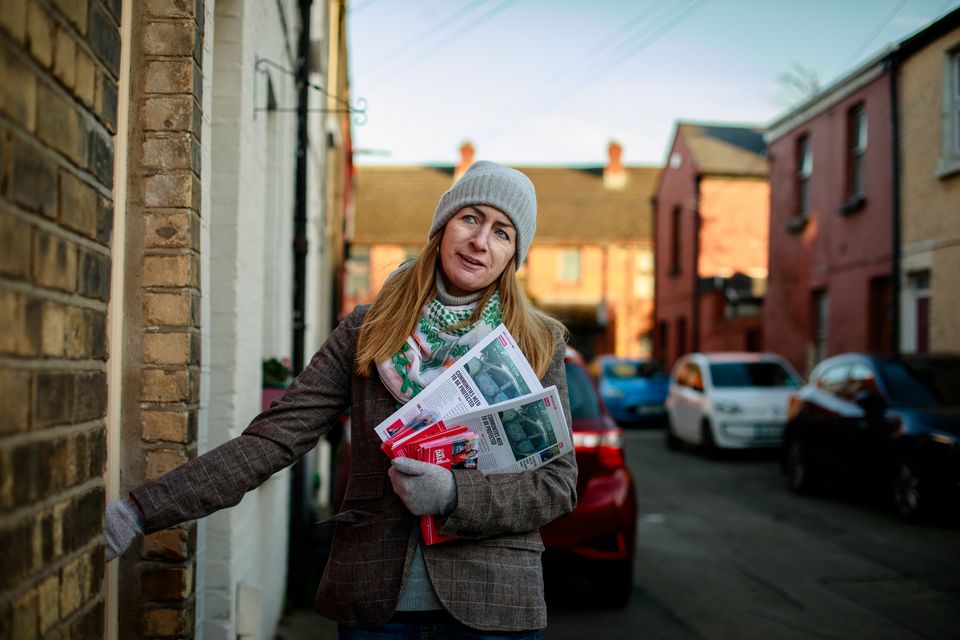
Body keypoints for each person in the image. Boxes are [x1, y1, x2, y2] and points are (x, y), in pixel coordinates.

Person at [104, 161, 577, 639]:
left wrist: (456, 494)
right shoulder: (368, 330)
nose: (480, 241)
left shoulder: (536, 343)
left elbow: (558, 484)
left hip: (493, 606)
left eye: (503, 233)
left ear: (513, 255)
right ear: (442, 227)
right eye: (470, 218)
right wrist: (139, 510)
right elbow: (274, 438)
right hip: (376, 606)